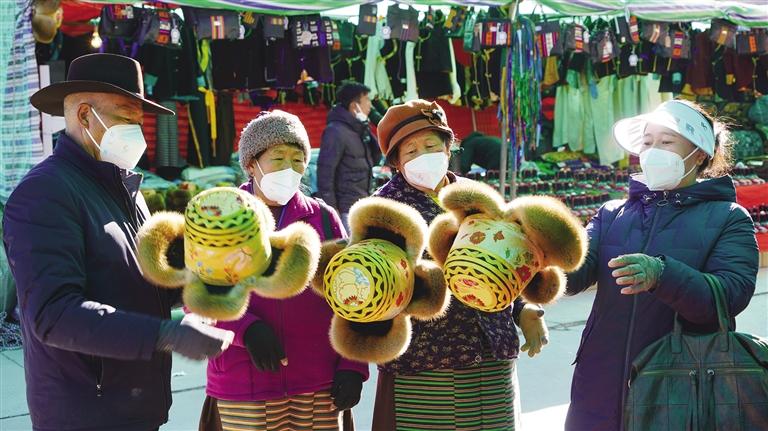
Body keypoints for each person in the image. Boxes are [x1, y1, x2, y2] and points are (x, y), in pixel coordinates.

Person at [3, 53, 233, 431]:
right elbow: (54, 314)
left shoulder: (125, 186)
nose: (137, 133)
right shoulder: (45, 193)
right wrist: (167, 335)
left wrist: (202, 278)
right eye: (127, 119)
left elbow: (139, 281)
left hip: (137, 406)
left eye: (139, 123)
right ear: (84, 116)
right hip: (85, 414)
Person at [564, 100, 759, 431]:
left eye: (667, 142)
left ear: (699, 154)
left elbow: (729, 295)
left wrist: (662, 274)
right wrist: (536, 260)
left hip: (679, 385)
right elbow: (573, 273)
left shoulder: (728, 218)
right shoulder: (612, 213)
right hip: (598, 380)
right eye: (647, 142)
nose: (653, 151)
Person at [370, 99, 549, 430]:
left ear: (448, 147)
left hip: (491, 353)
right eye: (411, 151)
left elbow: (509, 260)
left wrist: (523, 308)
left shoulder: (476, 197)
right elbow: (372, 289)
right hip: (426, 364)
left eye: (431, 145)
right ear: (396, 162)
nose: (423, 156)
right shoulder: (381, 210)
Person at [205, 110, 369, 431]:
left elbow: (352, 295)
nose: (289, 169)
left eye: (297, 160)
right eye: (278, 158)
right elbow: (198, 296)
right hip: (245, 383)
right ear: (251, 164)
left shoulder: (323, 218)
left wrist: (353, 366)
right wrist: (246, 329)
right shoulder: (220, 216)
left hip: (320, 383)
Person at [317, 82, 381, 230]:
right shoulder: (335, 131)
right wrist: (331, 209)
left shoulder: (357, 129)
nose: (370, 106)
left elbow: (375, 157)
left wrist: (365, 127)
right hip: (346, 209)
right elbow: (325, 173)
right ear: (354, 106)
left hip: (362, 202)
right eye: (367, 100)